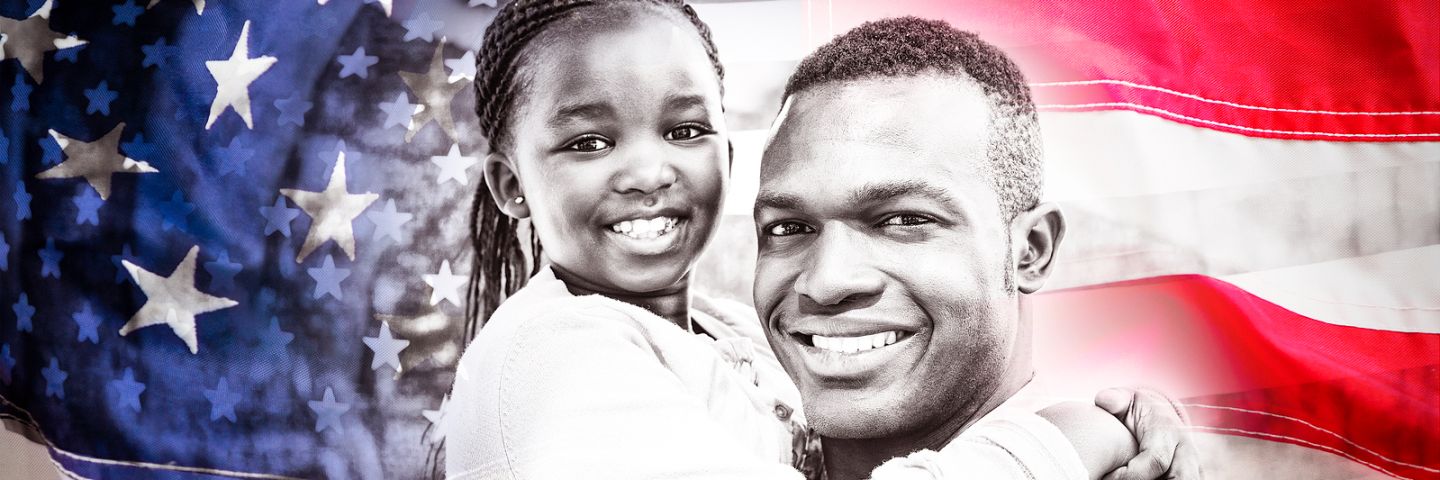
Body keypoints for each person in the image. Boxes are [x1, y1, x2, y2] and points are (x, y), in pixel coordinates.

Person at [445, 1, 1179, 478]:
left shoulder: (730, 341)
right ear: (511, 186)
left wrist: (1135, 422)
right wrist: (1069, 436)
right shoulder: (553, 353)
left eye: (686, 129)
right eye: (587, 142)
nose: (646, 170)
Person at [752, 16, 1202, 480]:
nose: (826, 281)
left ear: (1031, 249)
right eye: (789, 228)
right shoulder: (713, 434)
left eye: (905, 220)